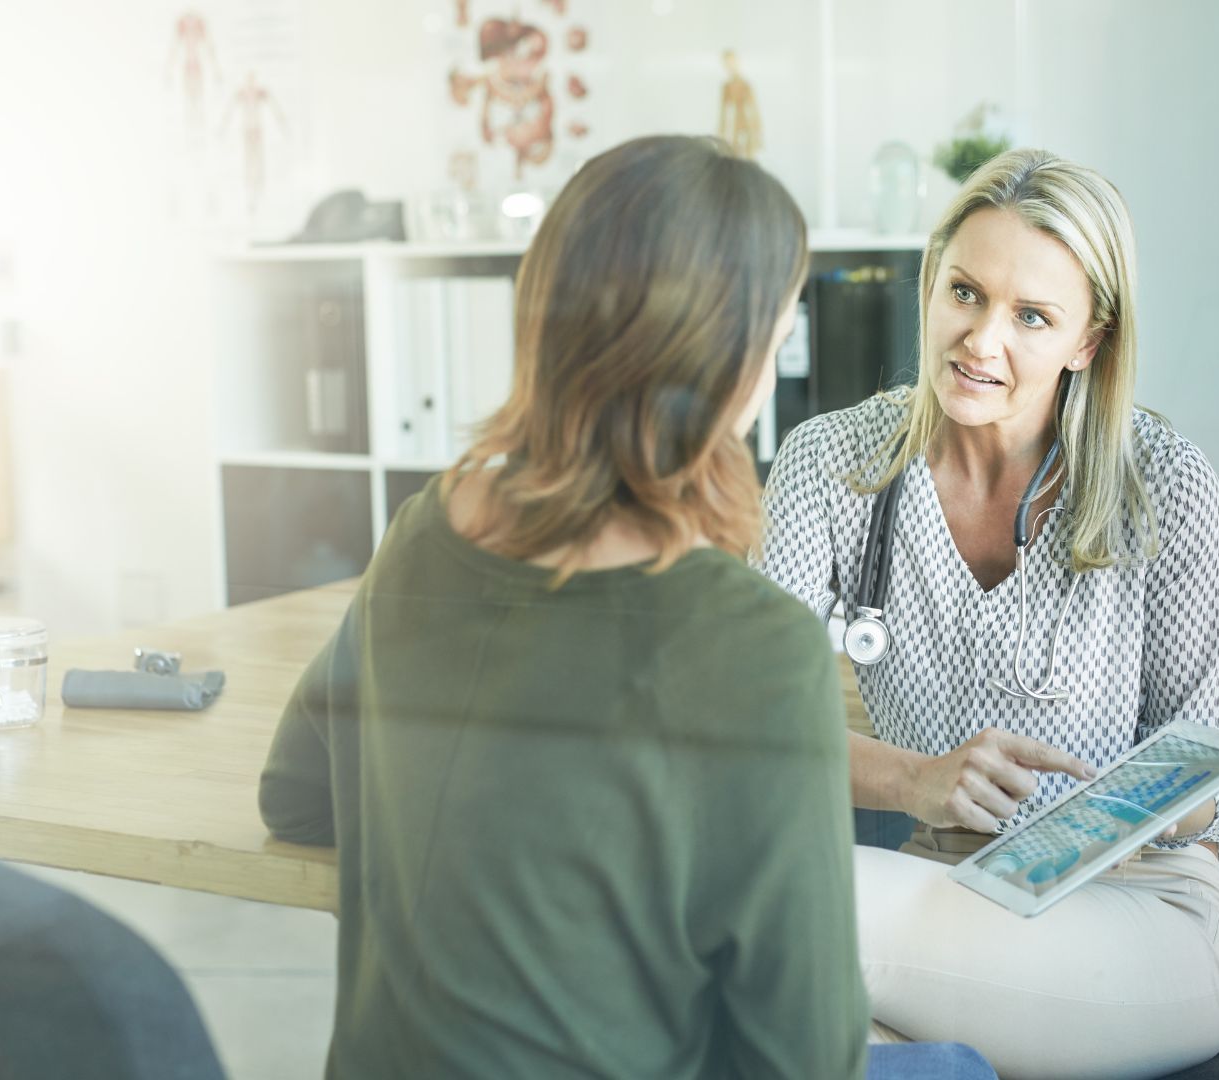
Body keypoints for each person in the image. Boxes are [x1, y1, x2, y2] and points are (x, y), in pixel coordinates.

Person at [259, 134, 870, 1079]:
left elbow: (293, 797)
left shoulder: (423, 533)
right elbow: (806, 1056)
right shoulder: (759, 647)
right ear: (724, 360)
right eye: (778, 338)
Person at [756, 148, 1219, 1080]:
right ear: (930, 283)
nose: (983, 342)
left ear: (1089, 340)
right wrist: (912, 783)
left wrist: (1107, 816)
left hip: (1144, 911)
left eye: (1032, 317)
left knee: (780, 913)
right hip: (954, 892)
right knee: (811, 1042)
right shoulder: (830, 464)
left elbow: (1205, 789)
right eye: (965, 293)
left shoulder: (1165, 484)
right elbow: (756, 729)